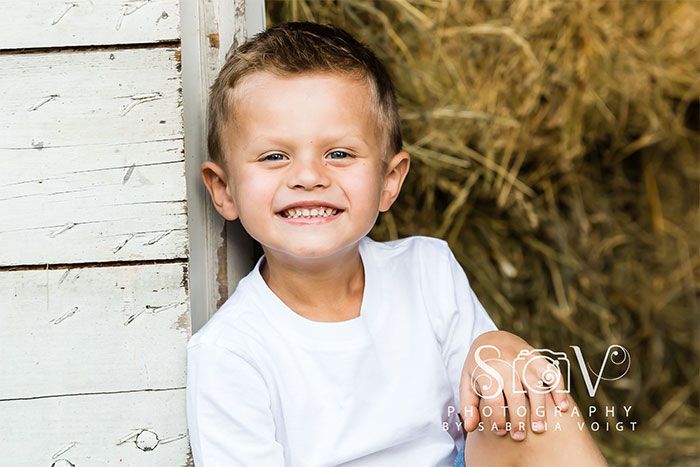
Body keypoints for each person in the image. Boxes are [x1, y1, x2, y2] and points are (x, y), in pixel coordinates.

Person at [186, 21, 608, 466]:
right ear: (224, 190)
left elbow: (486, 401)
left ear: (389, 181)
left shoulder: (428, 271)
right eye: (275, 156)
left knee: (531, 396)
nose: (308, 176)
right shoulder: (231, 353)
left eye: (339, 154)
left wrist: (501, 345)